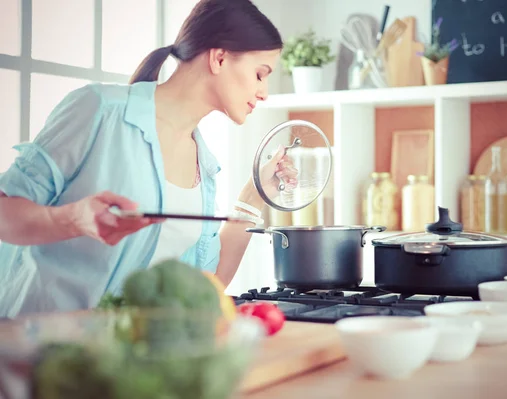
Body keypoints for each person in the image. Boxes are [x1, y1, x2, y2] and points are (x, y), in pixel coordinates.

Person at [0, 0, 298, 318]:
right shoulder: (100, 109)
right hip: (34, 348)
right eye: (259, 74)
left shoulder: (205, 167)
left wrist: (254, 194)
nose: (265, 92)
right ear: (220, 57)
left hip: (120, 360)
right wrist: (75, 219)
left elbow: (204, 287)